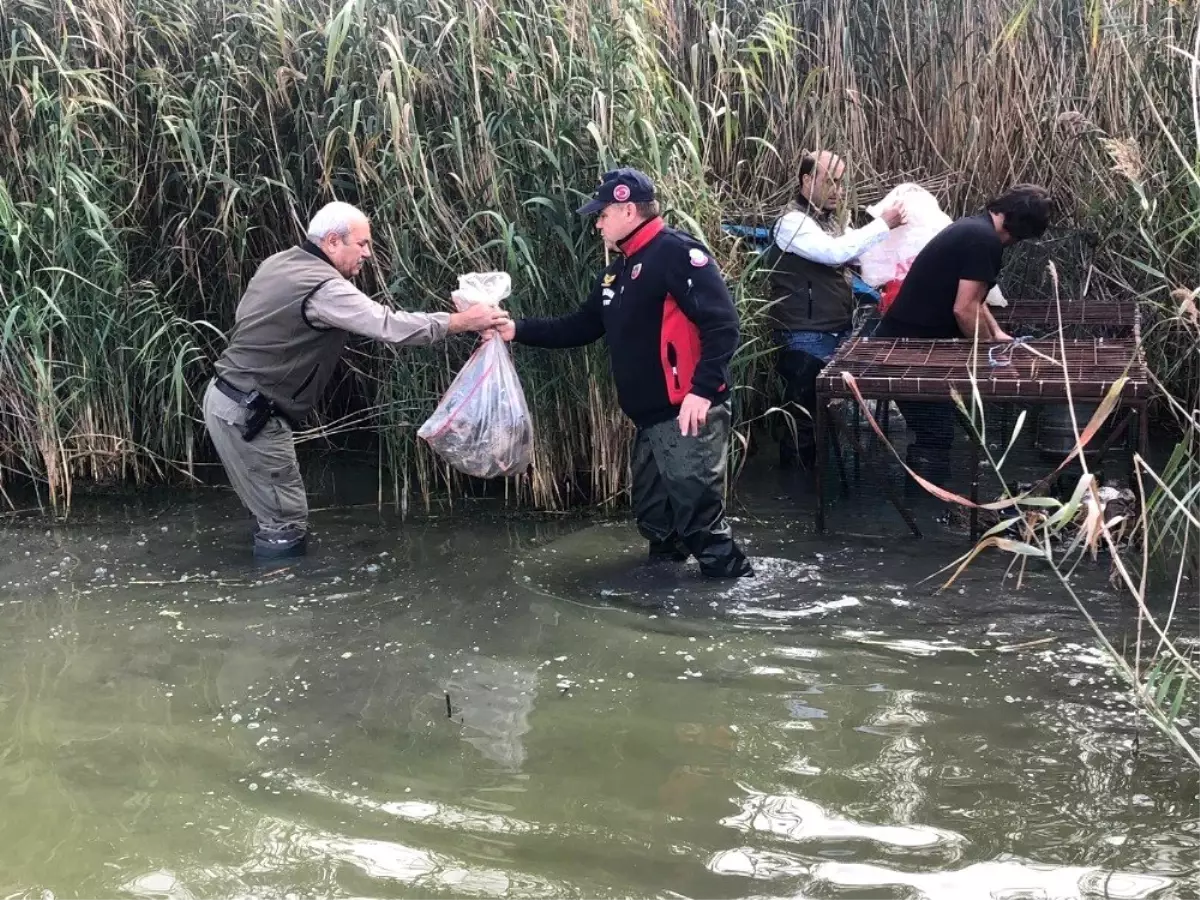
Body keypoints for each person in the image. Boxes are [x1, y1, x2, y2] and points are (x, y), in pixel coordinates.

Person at [204, 201, 510, 559]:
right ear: (333, 241)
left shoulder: (280, 262)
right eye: (362, 244)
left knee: (270, 509)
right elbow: (387, 325)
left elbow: (246, 317)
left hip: (224, 400)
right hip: (251, 416)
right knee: (285, 523)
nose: (368, 254)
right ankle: (281, 599)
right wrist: (461, 322)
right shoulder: (324, 287)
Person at [498, 168, 753, 578]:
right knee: (656, 519)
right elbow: (579, 326)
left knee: (701, 525)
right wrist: (516, 330)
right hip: (650, 419)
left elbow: (722, 323)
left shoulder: (676, 253)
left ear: (628, 210)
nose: (597, 222)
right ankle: (665, 594)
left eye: (602, 214)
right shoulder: (616, 272)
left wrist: (702, 391)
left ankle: (735, 608)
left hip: (686, 410)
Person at [875, 184, 1052, 487]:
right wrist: (987, 354)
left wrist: (997, 334)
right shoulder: (984, 241)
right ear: (1018, 229)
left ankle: (928, 502)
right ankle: (924, 509)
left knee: (939, 426)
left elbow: (976, 300)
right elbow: (964, 309)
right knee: (936, 432)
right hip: (908, 349)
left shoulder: (974, 228)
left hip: (913, 343)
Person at [762, 151, 907, 469]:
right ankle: (798, 498)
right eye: (831, 182)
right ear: (806, 180)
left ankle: (813, 490)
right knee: (803, 424)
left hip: (833, 333)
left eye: (842, 183)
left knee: (823, 421)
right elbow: (833, 253)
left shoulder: (831, 222)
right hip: (802, 338)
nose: (839, 191)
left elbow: (857, 257)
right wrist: (883, 224)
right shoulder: (792, 222)